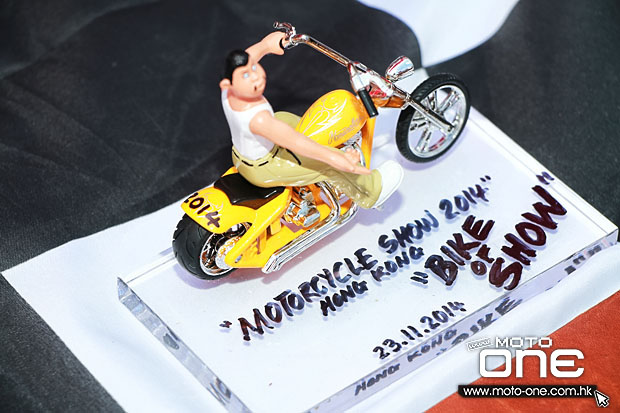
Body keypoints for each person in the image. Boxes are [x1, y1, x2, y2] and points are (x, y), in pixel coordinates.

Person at [219, 31, 403, 209]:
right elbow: (295, 141)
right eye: (246, 75)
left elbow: (249, 57)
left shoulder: (228, 92)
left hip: (245, 154)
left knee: (283, 116)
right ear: (229, 83)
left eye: (253, 68)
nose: (255, 76)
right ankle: (371, 192)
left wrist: (267, 45)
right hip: (265, 166)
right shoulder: (260, 120)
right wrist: (335, 157)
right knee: (328, 164)